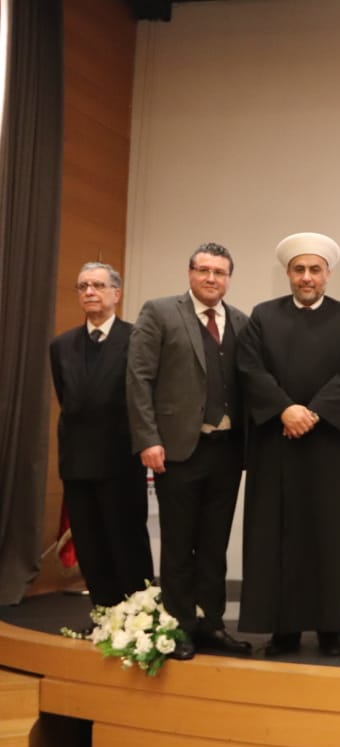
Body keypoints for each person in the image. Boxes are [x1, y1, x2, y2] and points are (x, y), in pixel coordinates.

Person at [237, 232, 340, 658]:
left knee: (330, 535)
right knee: (277, 538)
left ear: (327, 274)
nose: (307, 277)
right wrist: (284, 410)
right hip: (276, 447)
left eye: (315, 269)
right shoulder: (263, 316)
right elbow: (250, 369)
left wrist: (312, 413)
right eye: (299, 270)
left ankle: (331, 628)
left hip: (329, 446)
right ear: (288, 274)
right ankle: (284, 630)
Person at [126, 243, 251, 659]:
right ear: (190, 273)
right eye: (204, 270)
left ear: (229, 278)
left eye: (219, 272)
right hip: (177, 449)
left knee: (214, 545)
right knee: (179, 545)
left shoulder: (240, 321)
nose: (211, 278)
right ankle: (178, 627)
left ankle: (212, 624)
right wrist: (148, 439)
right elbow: (139, 379)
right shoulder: (160, 312)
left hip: (227, 451)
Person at [50, 263, 154, 620]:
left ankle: (139, 619)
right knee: (90, 544)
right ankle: (104, 616)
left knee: (126, 541)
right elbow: (69, 398)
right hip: (77, 461)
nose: (89, 292)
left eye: (97, 285)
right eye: (83, 286)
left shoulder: (138, 338)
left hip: (121, 459)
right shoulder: (61, 345)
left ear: (116, 293)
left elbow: (144, 397)